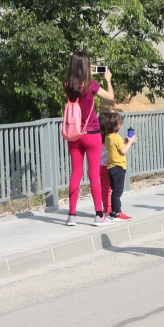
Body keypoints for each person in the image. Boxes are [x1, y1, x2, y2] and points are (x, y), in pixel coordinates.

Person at [64, 51, 116, 227]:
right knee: (93, 174)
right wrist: (108, 79)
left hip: (74, 135)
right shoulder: (91, 85)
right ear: (86, 67)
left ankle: (72, 216)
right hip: (92, 134)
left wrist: (84, 71)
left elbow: (77, 82)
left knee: (75, 174)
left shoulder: (67, 85)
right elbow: (111, 97)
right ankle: (99, 215)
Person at [102, 113, 137, 221]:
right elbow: (123, 151)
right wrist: (130, 142)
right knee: (118, 191)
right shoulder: (116, 137)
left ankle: (113, 211)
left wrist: (124, 142)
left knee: (114, 190)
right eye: (120, 123)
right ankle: (117, 213)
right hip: (118, 167)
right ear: (118, 125)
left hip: (111, 167)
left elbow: (115, 148)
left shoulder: (108, 137)